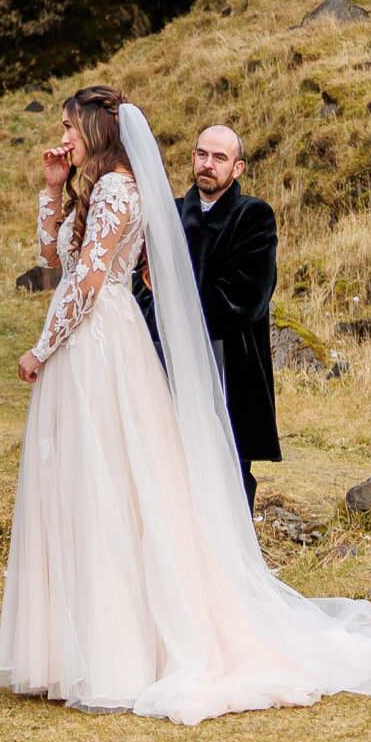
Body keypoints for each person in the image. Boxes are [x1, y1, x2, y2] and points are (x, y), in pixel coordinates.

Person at [0, 84, 371, 724]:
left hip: (99, 339)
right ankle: (85, 643)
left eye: (70, 128)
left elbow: (90, 280)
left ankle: (114, 649)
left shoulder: (119, 191)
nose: (64, 137)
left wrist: (41, 348)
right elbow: (57, 261)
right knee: (93, 480)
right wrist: (52, 191)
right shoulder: (101, 190)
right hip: (97, 338)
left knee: (109, 483)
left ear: (97, 131)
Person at [137, 121, 279, 512]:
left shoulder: (253, 218)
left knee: (226, 469)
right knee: (165, 465)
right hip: (160, 358)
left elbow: (244, 297)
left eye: (220, 157)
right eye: (202, 154)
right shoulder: (167, 215)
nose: (208, 164)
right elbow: (137, 284)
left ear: (238, 168)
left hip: (227, 363)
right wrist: (159, 322)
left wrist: (173, 315)